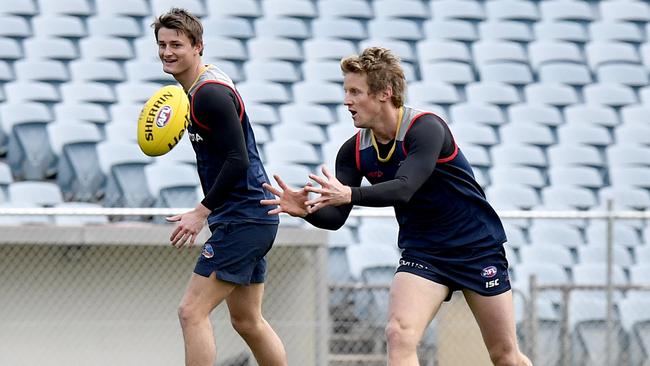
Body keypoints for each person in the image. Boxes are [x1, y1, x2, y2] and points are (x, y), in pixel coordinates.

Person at [262, 47, 532, 366]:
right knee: (398, 334)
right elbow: (335, 217)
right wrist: (307, 209)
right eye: (345, 91)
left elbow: (404, 189)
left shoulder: (426, 128)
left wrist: (349, 193)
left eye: (354, 92)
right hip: (424, 252)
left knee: (504, 355)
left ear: (384, 94)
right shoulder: (354, 151)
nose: (346, 100)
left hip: (476, 247)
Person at [152, 8, 287, 366]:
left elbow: (237, 160)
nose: (167, 52)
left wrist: (200, 213)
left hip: (244, 218)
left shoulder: (208, 94)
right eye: (162, 44)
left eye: (177, 44)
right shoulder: (199, 88)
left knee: (190, 312)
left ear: (198, 46)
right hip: (250, 217)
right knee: (247, 321)